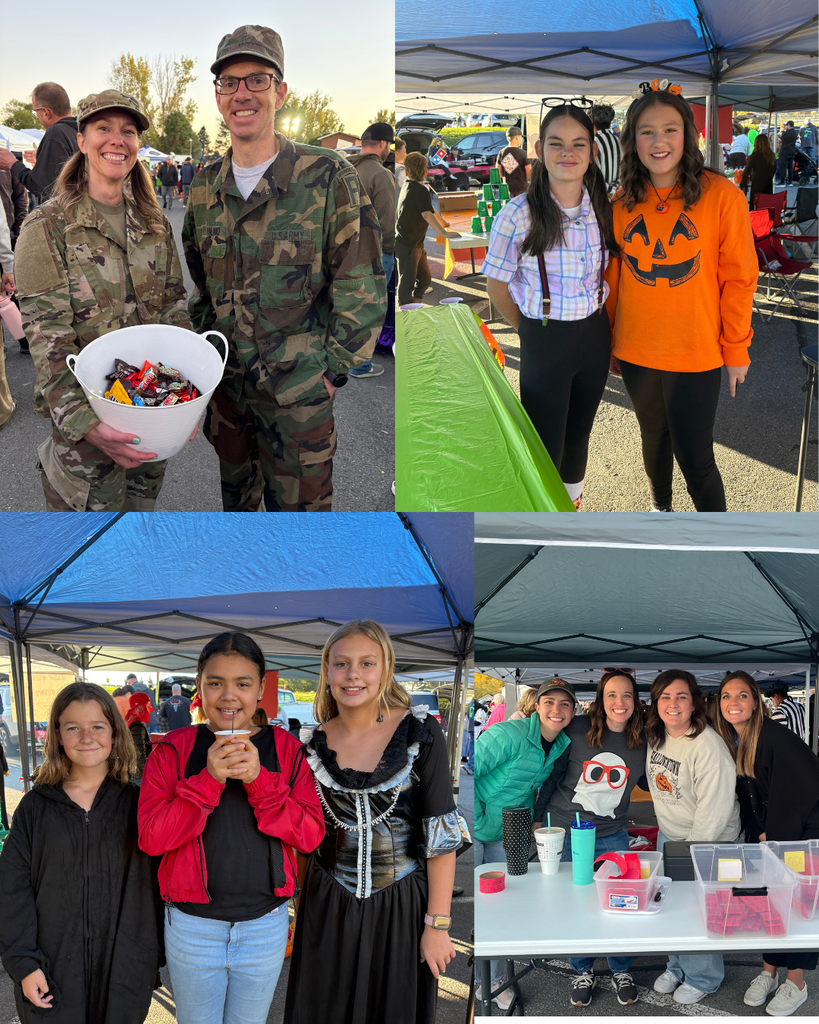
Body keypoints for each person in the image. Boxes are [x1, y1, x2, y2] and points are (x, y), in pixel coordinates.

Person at [183, 25, 386, 513]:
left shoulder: (327, 176)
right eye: (228, 82)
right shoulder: (205, 185)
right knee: (240, 518)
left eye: (257, 79)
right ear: (217, 96)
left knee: (302, 532)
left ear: (280, 91)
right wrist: (204, 366)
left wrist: (331, 374)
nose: (242, 94)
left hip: (299, 402)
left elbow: (362, 286)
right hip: (229, 397)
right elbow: (201, 288)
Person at [14, 90, 191, 512]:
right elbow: (46, 336)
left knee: (136, 537)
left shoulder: (154, 223)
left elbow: (173, 310)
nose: (117, 140)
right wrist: (86, 425)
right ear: (82, 140)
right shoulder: (47, 226)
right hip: (87, 446)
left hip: (150, 421)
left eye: (127, 131)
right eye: (104, 128)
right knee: (87, 561)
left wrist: (184, 399)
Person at [284, 620, 469, 1024]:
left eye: (367, 663)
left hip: (402, 905)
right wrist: (298, 909)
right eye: (342, 664)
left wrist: (437, 925)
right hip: (327, 904)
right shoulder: (309, 746)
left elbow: (440, 833)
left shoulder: (421, 733)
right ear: (326, 672)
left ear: (386, 668)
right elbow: (303, 839)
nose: (353, 674)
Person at [138, 631, 324, 1024]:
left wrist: (259, 780)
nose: (228, 695)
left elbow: (310, 836)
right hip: (192, 927)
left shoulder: (288, 750)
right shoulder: (172, 749)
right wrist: (207, 780)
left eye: (242, 683)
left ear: (260, 690)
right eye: (215, 682)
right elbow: (152, 839)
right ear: (199, 687)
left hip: (265, 925)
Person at [605, 84, 757, 512]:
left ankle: (716, 539)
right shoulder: (620, 203)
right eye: (646, 131)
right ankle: (661, 514)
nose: (659, 142)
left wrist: (736, 348)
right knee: (652, 439)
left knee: (695, 455)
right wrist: (611, 341)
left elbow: (739, 279)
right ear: (632, 140)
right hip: (636, 349)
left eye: (670, 130)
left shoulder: (721, 196)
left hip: (697, 350)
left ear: (688, 135)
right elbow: (614, 280)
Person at [483, 104, 620, 510]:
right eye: (556, 143)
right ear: (540, 149)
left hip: (594, 335)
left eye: (578, 143)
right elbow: (496, 285)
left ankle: (572, 510)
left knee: (580, 436)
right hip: (546, 337)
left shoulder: (603, 206)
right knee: (544, 443)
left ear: (592, 150)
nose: (568, 152)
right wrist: (528, 328)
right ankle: (542, 520)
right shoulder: (518, 213)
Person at [0, 682, 162, 1024]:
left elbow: (161, 887)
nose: (86, 737)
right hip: (50, 974)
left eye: (97, 726)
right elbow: (11, 891)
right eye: (73, 727)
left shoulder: (140, 806)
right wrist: (24, 963)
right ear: (58, 735)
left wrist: (149, 959)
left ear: (115, 733)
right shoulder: (35, 808)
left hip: (124, 971)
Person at [534, 670, 647, 1008]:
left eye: (626, 695)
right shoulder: (578, 729)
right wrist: (540, 817)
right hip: (568, 830)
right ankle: (582, 969)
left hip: (613, 833)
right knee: (575, 902)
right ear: (601, 699)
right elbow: (554, 776)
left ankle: (621, 969)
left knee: (622, 901)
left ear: (635, 700)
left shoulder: (643, 739)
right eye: (611, 694)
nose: (619, 702)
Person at [715, 671, 819, 1016]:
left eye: (742, 695)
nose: (734, 702)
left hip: (802, 834)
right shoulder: (738, 739)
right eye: (727, 695)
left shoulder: (774, 736)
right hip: (774, 833)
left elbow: (794, 797)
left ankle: (797, 982)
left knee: (797, 907)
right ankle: (769, 972)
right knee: (769, 905)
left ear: (756, 701)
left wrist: (773, 843)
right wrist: (760, 831)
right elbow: (751, 797)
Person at [475, 678, 575, 1011]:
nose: (556, 710)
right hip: (480, 828)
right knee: (485, 906)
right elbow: (470, 772)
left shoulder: (559, 744)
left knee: (501, 904)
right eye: (549, 702)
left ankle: (492, 979)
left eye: (564, 704)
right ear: (537, 705)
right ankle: (486, 983)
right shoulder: (508, 734)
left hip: (512, 827)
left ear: (574, 711)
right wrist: (475, 821)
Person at [644, 670, 740, 1005]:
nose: (673, 704)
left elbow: (714, 812)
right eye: (665, 697)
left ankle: (703, 976)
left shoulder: (707, 745)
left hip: (706, 841)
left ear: (694, 702)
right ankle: (677, 966)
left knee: (699, 909)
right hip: (670, 836)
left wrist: (690, 854)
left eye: (681, 696)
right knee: (669, 904)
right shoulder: (658, 735)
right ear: (655, 703)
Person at [347, 122, 395, 379]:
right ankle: (360, 365)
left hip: (345, 249)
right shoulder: (380, 173)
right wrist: (389, 252)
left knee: (350, 306)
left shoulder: (346, 168)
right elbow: (387, 220)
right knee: (370, 309)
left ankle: (344, 358)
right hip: (374, 251)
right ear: (383, 144)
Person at [395, 151, 459, 306]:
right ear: (425, 171)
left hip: (415, 244)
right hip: (408, 245)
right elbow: (425, 214)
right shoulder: (419, 189)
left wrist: (443, 222)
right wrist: (442, 232)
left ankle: (416, 303)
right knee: (407, 281)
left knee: (424, 279)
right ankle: (406, 312)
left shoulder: (410, 185)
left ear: (407, 171)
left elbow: (429, 208)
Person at [0, 82, 79, 202]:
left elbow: (41, 187)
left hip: (63, 214)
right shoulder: (80, 130)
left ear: (46, 112)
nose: (36, 117)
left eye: (35, 111)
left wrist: (13, 163)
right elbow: (66, 173)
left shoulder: (55, 133)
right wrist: (43, 160)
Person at [740, 133, 776, 209]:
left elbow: (746, 171)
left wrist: (743, 183)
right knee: (766, 209)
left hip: (757, 187)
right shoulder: (772, 155)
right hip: (768, 187)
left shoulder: (755, 156)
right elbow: (773, 171)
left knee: (755, 209)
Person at [592, 103, 622, 189]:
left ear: (592, 124)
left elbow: (592, 175)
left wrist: (608, 190)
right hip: (617, 192)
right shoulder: (618, 141)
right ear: (609, 125)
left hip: (598, 193)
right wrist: (613, 189)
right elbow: (624, 168)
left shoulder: (593, 142)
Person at [496, 125, 531, 197]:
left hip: (506, 190)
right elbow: (529, 172)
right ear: (517, 137)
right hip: (521, 189)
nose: (521, 140)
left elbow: (498, 171)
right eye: (521, 138)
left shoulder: (501, 152)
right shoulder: (523, 153)